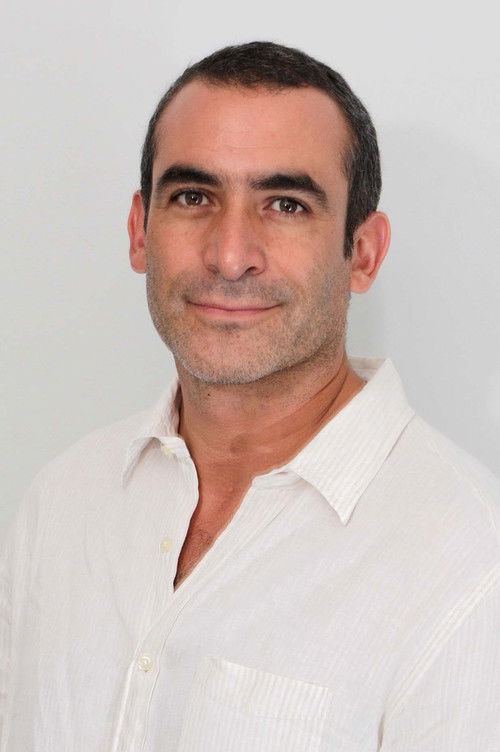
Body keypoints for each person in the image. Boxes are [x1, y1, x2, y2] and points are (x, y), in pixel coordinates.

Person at [1, 41, 499, 752]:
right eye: (193, 197)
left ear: (362, 253)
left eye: (286, 204)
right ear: (140, 232)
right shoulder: (62, 502)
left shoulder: (470, 566)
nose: (230, 255)